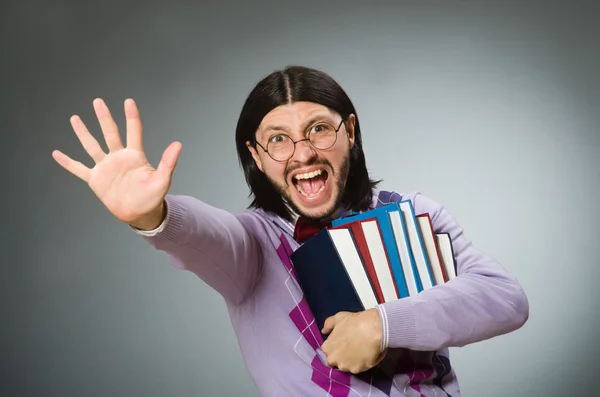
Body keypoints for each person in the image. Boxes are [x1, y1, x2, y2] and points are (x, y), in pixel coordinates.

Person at [52, 65, 529, 397]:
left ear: (351, 132)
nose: (302, 154)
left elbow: (504, 298)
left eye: (320, 129)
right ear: (257, 157)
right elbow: (205, 234)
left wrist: (382, 323)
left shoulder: (415, 213)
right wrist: (152, 216)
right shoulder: (254, 247)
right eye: (278, 139)